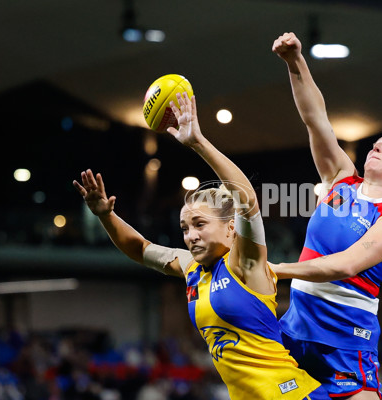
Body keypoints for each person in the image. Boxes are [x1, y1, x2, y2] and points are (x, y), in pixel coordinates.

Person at [73, 92, 329, 400]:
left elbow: (245, 201)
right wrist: (106, 215)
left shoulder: (245, 264)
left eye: (199, 225)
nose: (190, 235)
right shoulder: (192, 269)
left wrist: (197, 142)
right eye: (184, 228)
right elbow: (140, 249)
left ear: (230, 228)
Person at [271, 32, 382, 399]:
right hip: (294, 331)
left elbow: (344, 265)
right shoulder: (340, 179)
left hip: (344, 343)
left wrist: (274, 269)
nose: (379, 145)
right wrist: (295, 61)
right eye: (379, 141)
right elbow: (315, 119)